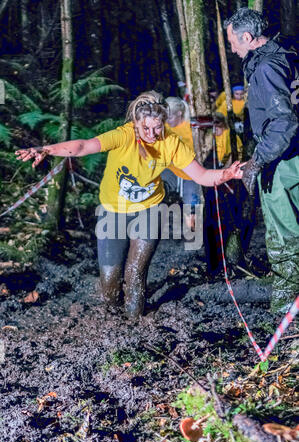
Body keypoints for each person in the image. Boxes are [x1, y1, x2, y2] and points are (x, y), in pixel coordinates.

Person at [16, 90, 244, 319]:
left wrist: (228, 174)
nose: (153, 134)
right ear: (136, 123)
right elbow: (83, 146)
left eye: (158, 127)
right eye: (147, 129)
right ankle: (114, 321)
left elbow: (202, 176)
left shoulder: (171, 142)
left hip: (149, 210)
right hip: (112, 212)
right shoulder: (123, 136)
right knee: (109, 280)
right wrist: (45, 149)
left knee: (135, 273)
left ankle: (135, 323)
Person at [224, 8, 299, 314]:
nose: (231, 48)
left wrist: (257, 161)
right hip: (292, 153)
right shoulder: (287, 54)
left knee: (283, 233)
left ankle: (285, 311)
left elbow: (283, 121)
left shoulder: (266, 66)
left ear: (247, 37)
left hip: (282, 159)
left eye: (232, 42)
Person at [202, 113, 246, 275]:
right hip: (211, 182)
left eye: (218, 124)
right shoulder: (208, 138)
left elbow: (237, 157)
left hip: (229, 183)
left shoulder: (230, 136)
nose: (216, 128)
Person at [161, 96, 202, 231]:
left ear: (179, 113)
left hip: (189, 171)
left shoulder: (191, 127)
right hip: (170, 169)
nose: (167, 120)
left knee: (191, 204)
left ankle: (193, 232)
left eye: (170, 117)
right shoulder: (164, 127)